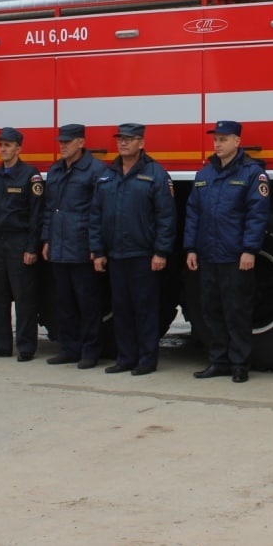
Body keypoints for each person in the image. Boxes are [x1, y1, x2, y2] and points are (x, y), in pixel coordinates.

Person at [185, 120, 270, 383]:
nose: (218, 144)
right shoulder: (205, 174)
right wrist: (190, 248)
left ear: (237, 141)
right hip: (208, 254)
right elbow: (193, 213)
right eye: (216, 139)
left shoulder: (252, 173)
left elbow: (258, 215)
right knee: (211, 311)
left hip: (235, 256)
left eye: (223, 139)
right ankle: (218, 361)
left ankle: (239, 364)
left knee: (237, 312)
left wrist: (249, 250)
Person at [89, 123, 176, 375]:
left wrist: (161, 252)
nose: (123, 143)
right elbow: (96, 216)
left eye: (129, 139)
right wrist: (98, 251)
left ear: (141, 143)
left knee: (145, 309)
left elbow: (166, 217)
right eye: (120, 139)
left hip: (143, 255)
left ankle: (147, 360)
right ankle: (126, 358)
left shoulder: (156, 174)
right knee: (122, 309)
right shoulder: (107, 175)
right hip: (116, 254)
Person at [0, 127, 45, 362]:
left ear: (19, 148)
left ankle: (26, 347)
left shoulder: (29, 175)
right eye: (0, 145)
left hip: (19, 242)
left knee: (24, 298)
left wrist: (31, 247)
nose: (3, 149)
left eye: (7, 145)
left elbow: (37, 216)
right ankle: (1, 344)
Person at [42, 123, 106, 369]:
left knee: (88, 304)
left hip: (81, 248)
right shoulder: (56, 170)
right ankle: (69, 349)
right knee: (64, 303)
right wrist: (47, 239)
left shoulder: (96, 170)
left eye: (67, 142)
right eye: (61, 143)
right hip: (59, 246)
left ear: (81, 143)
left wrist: (96, 246)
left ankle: (90, 352)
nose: (63, 147)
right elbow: (50, 209)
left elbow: (98, 212)